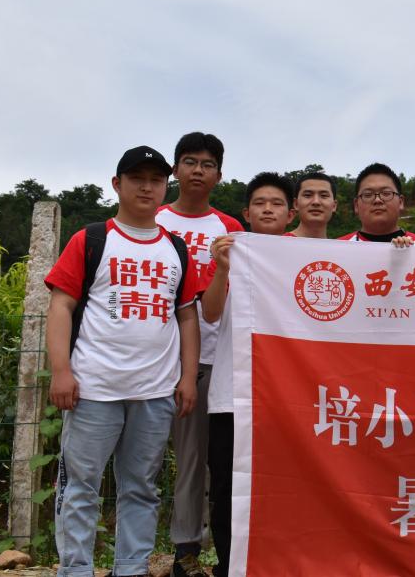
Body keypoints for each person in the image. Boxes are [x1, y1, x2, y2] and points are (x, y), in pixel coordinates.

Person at [45, 146, 200, 577]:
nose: (147, 187)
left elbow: (187, 316)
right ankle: (76, 569)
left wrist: (188, 377)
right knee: (80, 487)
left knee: (142, 488)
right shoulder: (92, 239)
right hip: (93, 388)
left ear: (166, 185)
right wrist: (61, 371)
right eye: (137, 178)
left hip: (155, 391)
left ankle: (130, 568)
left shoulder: (176, 248)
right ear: (117, 184)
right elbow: (61, 306)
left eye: (156, 179)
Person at [198, 172, 296, 577]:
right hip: (231, 393)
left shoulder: (305, 256)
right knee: (227, 486)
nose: (268, 209)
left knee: (284, 486)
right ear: (246, 213)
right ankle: (229, 566)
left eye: (276, 203)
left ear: (290, 214)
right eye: (259, 203)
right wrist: (222, 269)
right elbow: (210, 313)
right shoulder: (230, 252)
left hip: (287, 398)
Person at [155, 132, 242, 577]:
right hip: (159, 361)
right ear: (175, 169)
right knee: (167, 461)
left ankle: (203, 551)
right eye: (189, 162)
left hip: (216, 359)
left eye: (207, 164)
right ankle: (170, 551)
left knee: (209, 463)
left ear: (219, 175)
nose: (198, 171)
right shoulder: (153, 220)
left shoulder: (231, 229)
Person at [338, 163, 415, 242]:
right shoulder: (337, 248)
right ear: (356, 205)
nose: (377, 200)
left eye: (386, 193)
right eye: (368, 195)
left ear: (401, 202)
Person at [288, 171, 337, 238]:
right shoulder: (277, 243)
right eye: (308, 195)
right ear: (296, 204)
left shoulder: (344, 244)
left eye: (324, 195)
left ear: (334, 205)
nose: (316, 202)